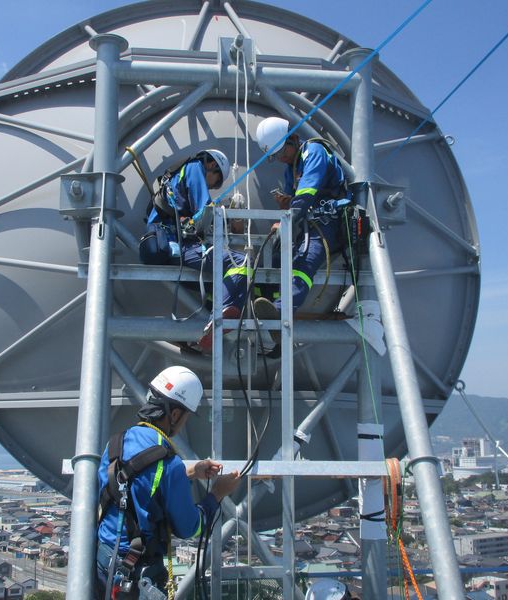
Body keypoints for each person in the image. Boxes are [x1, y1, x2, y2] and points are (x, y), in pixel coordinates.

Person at [96, 366, 241, 598]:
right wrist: (217, 494)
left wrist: (192, 471)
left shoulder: (116, 444)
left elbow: (139, 483)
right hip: (136, 573)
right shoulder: (169, 463)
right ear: (174, 415)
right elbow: (190, 527)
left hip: (103, 560)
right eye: (184, 417)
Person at [138, 149, 250, 353]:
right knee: (240, 262)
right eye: (214, 182)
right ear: (211, 165)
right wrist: (231, 214)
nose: (211, 186)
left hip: (168, 243)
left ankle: (198, 331)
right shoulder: (193, 168)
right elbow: (204, 210)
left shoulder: (175, 177)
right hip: (176, 244)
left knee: (215, 286)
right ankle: (216, 320)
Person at [252, 117, 350, 343]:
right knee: (275, 259)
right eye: (276, 156)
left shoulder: (314, 151)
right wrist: (284, 209)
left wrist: (285, 219)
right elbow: (295, 202)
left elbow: (306, 194)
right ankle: (267, 309)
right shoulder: (291, 168)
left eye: (281, 152)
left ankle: (281, 312)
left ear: (293, 138)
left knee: (306, 260)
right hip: (308, 223)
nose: (281, 158)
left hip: (329, 222)